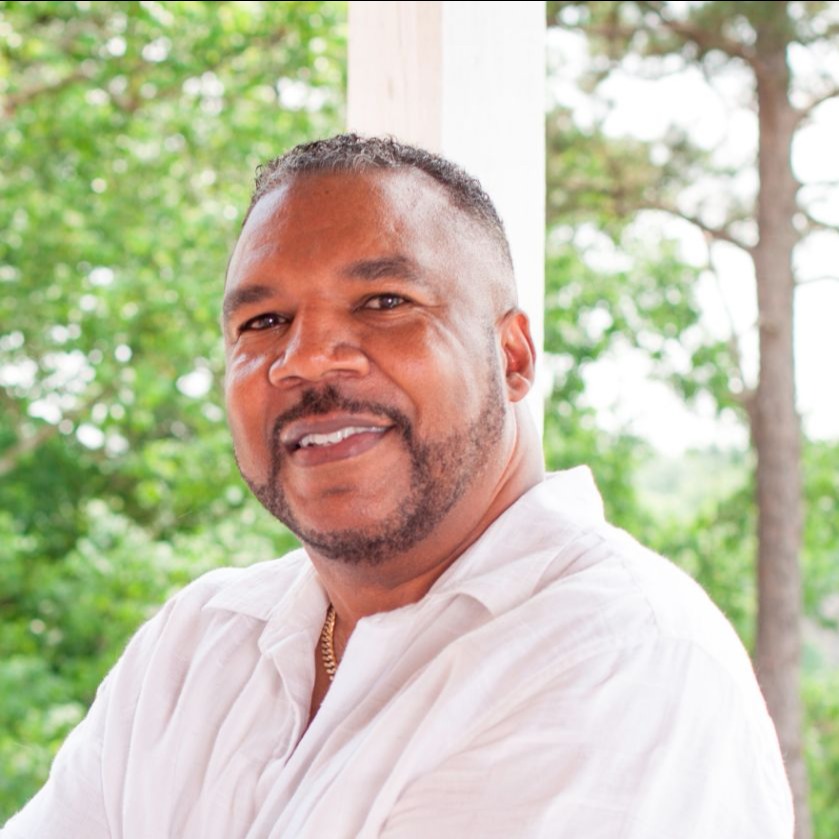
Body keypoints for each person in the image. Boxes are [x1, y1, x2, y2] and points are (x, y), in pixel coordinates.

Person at [3, 134, 793, 838]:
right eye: (263, 321)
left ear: (512, 357)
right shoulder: (195, 646)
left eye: (384, 302)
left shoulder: (617, 656)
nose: (305, 358)